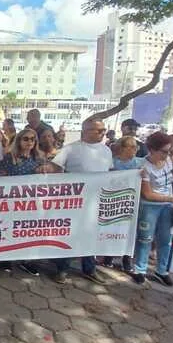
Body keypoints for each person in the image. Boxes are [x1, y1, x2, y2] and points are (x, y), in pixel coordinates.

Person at [52, 118, 112, 285]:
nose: (102, 133)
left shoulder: (107, 151)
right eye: (98, 130)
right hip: (74, 202)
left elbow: (111, 173)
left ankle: (90, 269)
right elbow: (56, 170)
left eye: (103, 130)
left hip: (97, 201)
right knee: (70, 234)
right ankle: (63, 268)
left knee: (91, 236)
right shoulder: (70, 149)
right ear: (85, 131)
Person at [131, 132, 173, 286]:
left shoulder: (167, 159)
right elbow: (147, 194)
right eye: (164, 151)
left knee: (165, 240)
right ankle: (139, 269)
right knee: (145, 238)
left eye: (169, 150)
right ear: (152, 149)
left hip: (166, 207)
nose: (168, 154)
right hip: (150, 207)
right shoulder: (144, 167)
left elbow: (169, 174)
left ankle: (162, 270)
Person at [0, 129, 44, 276]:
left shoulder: (39, 158)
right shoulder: (8, 157)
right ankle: (6, 259)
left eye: (32, 139)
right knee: (10, 229)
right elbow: (1, 178)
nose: (29, 142)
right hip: (12, 202)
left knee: (29, 231)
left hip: (32, 203)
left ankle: (27, 261)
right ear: (19, 140)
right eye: (26, 139)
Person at [102, 136, 144, 271]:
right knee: (113, 229)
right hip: (115, 202)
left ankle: (127, 259)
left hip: (133, 203)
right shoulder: (112, 163)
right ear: (122, 148)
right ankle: (108, 257)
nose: (134, 149)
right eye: (130, 146)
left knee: (130, 232)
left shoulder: (140, 163)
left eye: (135, 146)